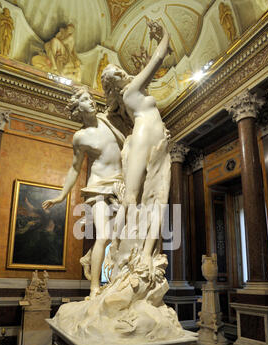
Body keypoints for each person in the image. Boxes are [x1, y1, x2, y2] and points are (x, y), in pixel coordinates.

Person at [42, 86, 125, 298]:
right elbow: (75, 168)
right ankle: (95, 286)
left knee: (119, 237)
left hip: (120, 184)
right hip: (97, 187)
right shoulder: (80, 137)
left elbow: (122, 97)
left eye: (91, 98)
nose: (91, 102)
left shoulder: (108, 119)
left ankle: (104, 270)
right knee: (103, 235)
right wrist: (62, 195)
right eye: (86, 100)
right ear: (78, 108)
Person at [101, 22, 171, 267]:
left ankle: (142, 254)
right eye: (116, 74)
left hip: (152, 138)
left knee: (153, 198)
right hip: (146, 137)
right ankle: (114, 250)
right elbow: (159, 58)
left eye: (118, 70)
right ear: (115, 84)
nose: (121, 72)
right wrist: (165, 34)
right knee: (134, 198)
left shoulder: (130, 94)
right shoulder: (131, 90)